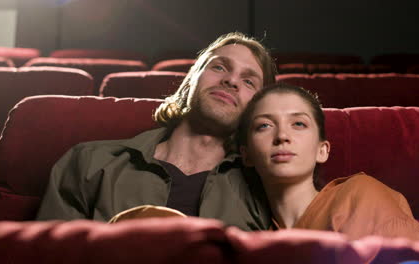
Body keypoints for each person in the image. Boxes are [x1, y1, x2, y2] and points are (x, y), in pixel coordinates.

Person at [36, 32, 277, 231]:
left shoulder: (264, 188)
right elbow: (48, 253)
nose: (231, 80)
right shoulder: (89, 162)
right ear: (191, 79)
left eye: (249, 81)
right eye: (220, 67)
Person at [236, 83, 419, 240]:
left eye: (298, 124)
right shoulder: (257, 241)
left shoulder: (359, 195)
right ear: (247, 155)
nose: (282, 135)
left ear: (322, 150)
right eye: (264, 125)